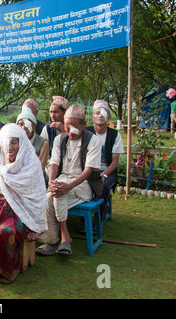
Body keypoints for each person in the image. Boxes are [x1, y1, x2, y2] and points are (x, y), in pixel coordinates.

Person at [0, 123, 47, 283]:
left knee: (5, 231)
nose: (10, 147)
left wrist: (36, 226)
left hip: (22, 211)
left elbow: (38, 196)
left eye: (14, 142)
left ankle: (7, 272)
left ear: (22, 143)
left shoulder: (31, 163)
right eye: (6, 142)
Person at [36, 104, 102, 257]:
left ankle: (59, 238)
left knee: (58, 195)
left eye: (74, 127)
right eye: (67, 128)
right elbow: (54, 163)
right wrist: (52, 181)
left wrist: (68, 186)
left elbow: (88, 171)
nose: (70, 131)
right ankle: (59, 237)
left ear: (84, 124)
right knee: (49, 196)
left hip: (85, 184)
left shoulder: (93, 141)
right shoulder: (60, 139)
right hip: (64, 180)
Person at [83, 100, 124, 228]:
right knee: (80, 184)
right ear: (92, 117)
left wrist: (103, 174)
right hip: (89, 170)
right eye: (97, 112)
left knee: (104, 187)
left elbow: (115, 162)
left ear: (109, 117)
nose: (100, 115)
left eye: (103, 113)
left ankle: (98, 222)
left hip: (108, 172)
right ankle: (83, 221)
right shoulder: (86, 132)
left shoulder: (114, 135)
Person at [16, 108, 49, 173]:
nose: (24, 127)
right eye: (21, 124)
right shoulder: (14, 142)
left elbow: (40, 167)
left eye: (27, 124)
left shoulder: (43, 143)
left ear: (34, 126)